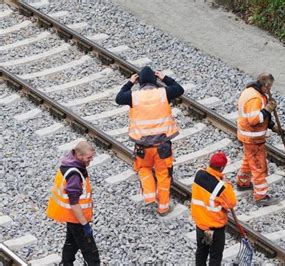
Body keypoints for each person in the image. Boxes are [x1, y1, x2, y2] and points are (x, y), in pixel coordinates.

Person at [115, 66, 184, 216]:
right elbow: (179, 89)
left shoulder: (134, 96)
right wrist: (165, 78)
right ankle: (163, 207)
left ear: (140, 82)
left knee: (144, 169)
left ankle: (150, 196)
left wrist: (129, 83)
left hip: (142, 145)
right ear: (154, 80)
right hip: (163, 145)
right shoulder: (163, 93)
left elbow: (118, 98)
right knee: (163, 174)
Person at [46, 141, 100, 265]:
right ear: (79, 155)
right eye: (88, 157)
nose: (90, 160)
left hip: (71, 217)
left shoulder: (69, 164)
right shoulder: (74, 175)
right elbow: (74, 203)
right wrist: (85, 224)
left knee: (71, 244)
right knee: (91, 254)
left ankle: (66, 263)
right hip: (77, 218)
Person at [235, 73, 285, 206]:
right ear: (265, 86)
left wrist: (273, 126)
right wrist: (268, 109)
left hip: (248, 137)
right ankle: (261, 196)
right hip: (253, 138)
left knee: (248, 160)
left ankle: (243, 182)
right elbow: (254, 120)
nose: (270, 90)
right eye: (270, 87)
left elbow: (259, 116)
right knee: (258, 166)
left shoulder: (250, 91)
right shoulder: (255, 99)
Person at [191, 151, 237, 266]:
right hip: (215, 228)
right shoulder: (221, 187)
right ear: (221, 168)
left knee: (201, 252)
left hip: (201, 225)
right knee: (215, 256)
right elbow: (231, 203)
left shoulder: (199, 174)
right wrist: (227, 184)